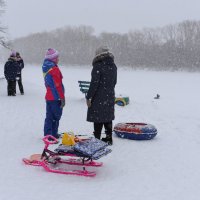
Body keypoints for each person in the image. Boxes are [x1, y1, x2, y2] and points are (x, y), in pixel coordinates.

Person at [86, 46, 117, 145]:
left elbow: (94, 84)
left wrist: (89, 97)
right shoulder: (113, 66)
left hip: (98, 96)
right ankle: (109, 138)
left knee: (98, 117)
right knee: (107, 116)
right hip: (110, 95)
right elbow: (114, 82)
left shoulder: (98, 66)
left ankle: (97, 139)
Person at [42, 48, 65, 139]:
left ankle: (48, 134)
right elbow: (58, 86)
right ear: (53, 58)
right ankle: (53, 135)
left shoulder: (46, 66)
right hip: (56, 97)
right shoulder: (54, 69)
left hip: (49, 96)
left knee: (49, 116)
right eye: (57, 57)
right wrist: (62, 98)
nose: (58, 59)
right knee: (56, 117)